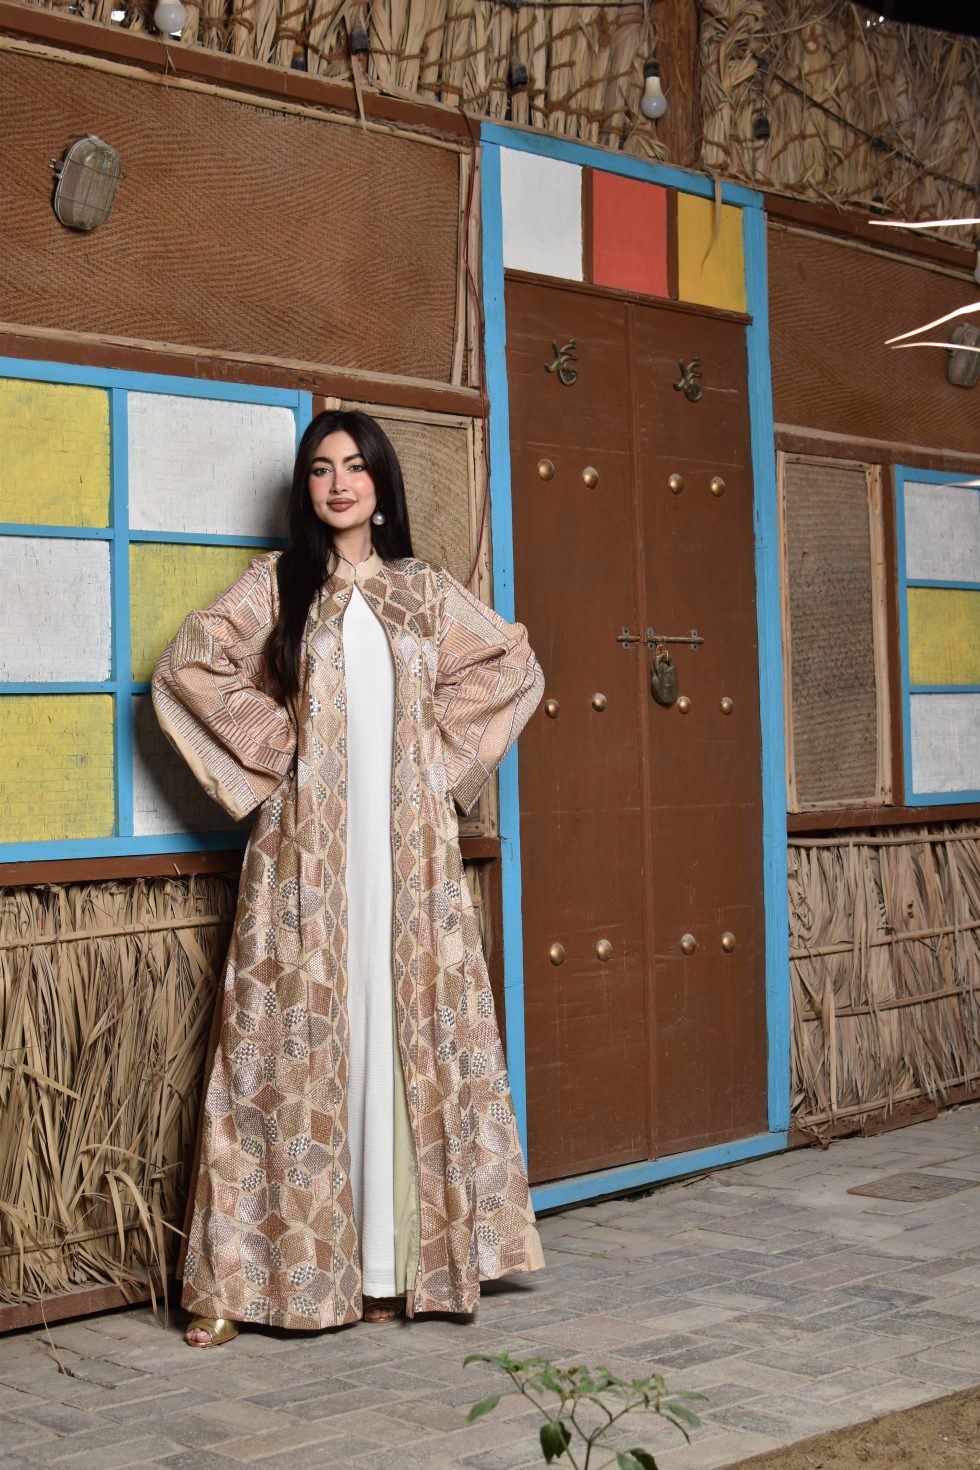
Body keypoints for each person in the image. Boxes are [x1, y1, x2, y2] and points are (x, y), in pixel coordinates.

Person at [152, 410, 545, 1348]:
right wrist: (279, 746)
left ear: (381, 485)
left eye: (356, 467)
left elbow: (513, 663)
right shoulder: (277, 586)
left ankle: (389, 1268)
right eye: (322, 468)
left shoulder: (424, 592)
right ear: (307, 487)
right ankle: (247, 1281)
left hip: (407, 859)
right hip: (306, 857)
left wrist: (438, 766)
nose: (339, 483)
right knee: (281, 1048)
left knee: (401, 1033)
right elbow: (189, 667)